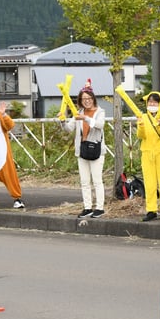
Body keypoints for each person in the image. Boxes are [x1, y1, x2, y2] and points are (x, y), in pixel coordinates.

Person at [59, 80, 106, 218]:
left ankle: (100, 207)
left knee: (97, 181)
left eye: (89, 98)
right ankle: (87, 207)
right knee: (84, 181)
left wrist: (85, 118)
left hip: (96, 149)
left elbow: (100, 125)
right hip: (82, 150)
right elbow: (69, 129)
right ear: (80, 100)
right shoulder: (78, 112)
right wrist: (62, 121)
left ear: (93, 99)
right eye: (84, 99)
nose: (87, 101)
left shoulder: (99, 111)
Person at [137, 92, 160, 222]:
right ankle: (151, 210)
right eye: (150, 102)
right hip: (147, 153)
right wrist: (140, 125)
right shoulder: (143, 117)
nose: (152, 104)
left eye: (155, 102)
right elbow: (141, 136)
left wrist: (158, 124)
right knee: (149, 183)